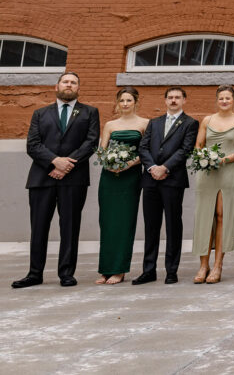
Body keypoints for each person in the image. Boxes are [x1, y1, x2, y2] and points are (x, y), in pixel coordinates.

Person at [13, 72, 100, 289]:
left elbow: (91, 143)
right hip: (42, 178)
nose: (69, 85)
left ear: (78, 87)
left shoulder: (90, 112)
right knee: (39, 227)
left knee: (70, 227)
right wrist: (54, 162)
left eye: (73, 82)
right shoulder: (40, 114)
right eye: (65, 81)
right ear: (57, 86)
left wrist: (67, 165)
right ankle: (34, 273)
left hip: (74, 178)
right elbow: (32, 145)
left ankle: (66, 273)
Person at [132, 86, 198, 285]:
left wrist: (165, 168)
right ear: (165, 100)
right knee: (151, 226)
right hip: (150, 179)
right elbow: (143, 147)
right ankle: (149, 270)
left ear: (184, 100)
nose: (174, 100)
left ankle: (171, 270)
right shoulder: (154, 122)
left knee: (172, 224)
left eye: (178, 97)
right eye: (170, 97)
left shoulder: (190, 123)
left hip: (173, 180)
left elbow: (185, 150)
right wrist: (152, 167)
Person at [192, 85, 234, 284]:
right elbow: (198, 146)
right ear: (216, 100)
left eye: (228, 98)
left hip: (228, 171)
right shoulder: (207, 120)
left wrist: (224, 160)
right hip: (207, 172)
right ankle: (203, 265)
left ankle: (218, 265)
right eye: (221, 98)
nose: (224, 101)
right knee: (204, 216)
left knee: (220, 215)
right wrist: (205, 158)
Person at [95, 87, 148, 285]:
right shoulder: (109, 124)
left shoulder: (144, 123)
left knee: (124, 223)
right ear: (117, 103)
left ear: (136, 102)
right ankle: (105, 269)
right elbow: (102, 150)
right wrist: (109, 163)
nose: (125, 104)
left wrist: (128, 164)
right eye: (122, 101)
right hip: (109, 178)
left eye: (129, 100)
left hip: (130, 177)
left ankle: (119, 270)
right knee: (107, 223)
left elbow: (146, 151)